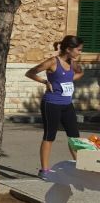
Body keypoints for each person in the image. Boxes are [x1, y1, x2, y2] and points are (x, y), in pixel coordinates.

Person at [25, 35, 85, 178]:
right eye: (79, 50)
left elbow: (80, 72)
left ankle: (82, 167)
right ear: (69, 49)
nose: (80, 52)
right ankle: (44, 170)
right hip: (51, 104)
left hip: (67, 105)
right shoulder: (53, 62)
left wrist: (69, 80)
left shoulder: (72, 62)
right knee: (49, 136)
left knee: (74, 137)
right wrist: (45, 82)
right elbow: (30, 73)